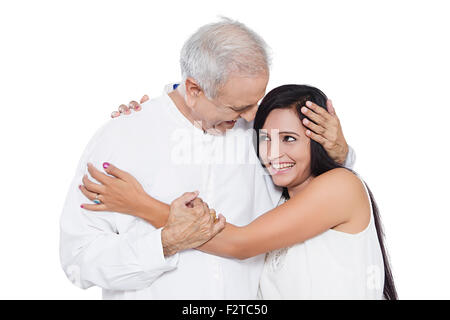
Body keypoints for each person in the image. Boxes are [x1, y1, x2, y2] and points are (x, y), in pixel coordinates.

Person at [60, 18, 352, 299]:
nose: (252, 116)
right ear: (193, 90)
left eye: (257, 101)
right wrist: (163, 244)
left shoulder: (262, 134)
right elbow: (78, 259)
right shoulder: (123, 138)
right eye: (238, 107)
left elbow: (313, 198)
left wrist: (339, 154)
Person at [81, 85, 397, 299]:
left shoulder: (340, 186)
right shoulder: (279, 200)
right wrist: (156, 117)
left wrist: (140, 204)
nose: (273, 154)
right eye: (265, 139)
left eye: (289, 138)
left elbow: (240, 243)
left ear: (317, 138)